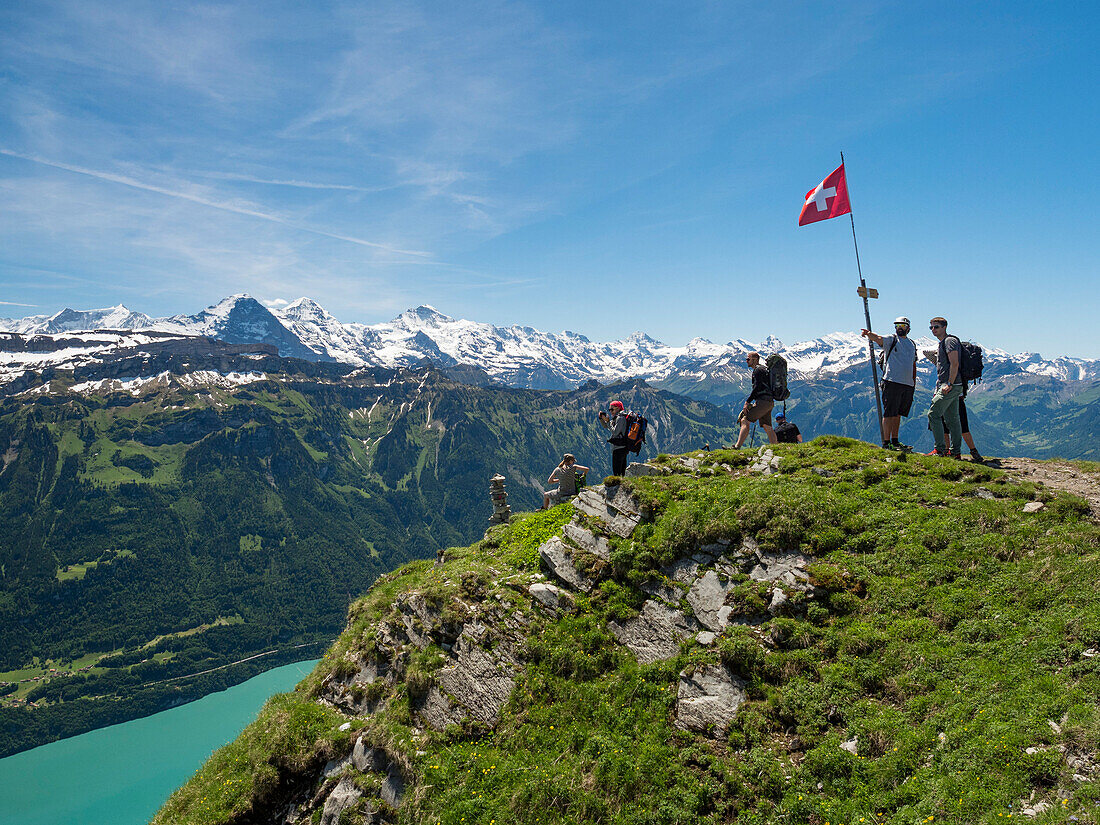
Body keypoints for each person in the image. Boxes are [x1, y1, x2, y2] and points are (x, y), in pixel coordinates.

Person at [861, 316, 918, 450]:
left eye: (902, 326)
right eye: (897, 325)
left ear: (908, 328)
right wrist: (869, 334)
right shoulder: (891, 339)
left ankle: (895, 441)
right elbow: (879, 339)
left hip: (907, 384)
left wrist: (913, 382)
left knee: (898, 413)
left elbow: (913, 364)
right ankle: (886, 443)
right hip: (892, 381)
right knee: (889, 413)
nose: (899, 328)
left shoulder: (912, 344)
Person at [926, 316, 964, 457]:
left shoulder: (949, 341)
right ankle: (955, 452)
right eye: (931, 327)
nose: (933, 330)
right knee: (952, 419)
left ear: (944, 327)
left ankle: (940, 450)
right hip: (953, 385)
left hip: (950, 385)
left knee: (933, 414)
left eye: (936, 327)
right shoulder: (944, 343)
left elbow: (955, 363)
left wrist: (949, 383)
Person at [733, 352, 777, 448]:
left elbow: (757, 388)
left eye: (748, 359)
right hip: (769, 402)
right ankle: (776, 448)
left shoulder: (758, 370)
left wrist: (747, 402)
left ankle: (737, 447)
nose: (746, 361)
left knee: (745, 420)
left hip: (763, 402)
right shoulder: (764, 369)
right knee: (767, 426)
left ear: (755, 359)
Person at [943, 398, 983, 462]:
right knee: (944, 429)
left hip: (954, 400)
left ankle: (973, 451)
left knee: (963, 428)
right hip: (947, 400)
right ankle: (946, 451)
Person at [598, 400, 631, 476]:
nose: (610, 411)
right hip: (620, 447)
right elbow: (606, 426)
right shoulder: (617, 417)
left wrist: (608, 421)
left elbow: (615, 432)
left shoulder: (620, 418)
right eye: (610, 410)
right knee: (621, 471)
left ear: (618, 408)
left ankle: (617, 486)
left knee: (617, 471)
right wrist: (602, 419)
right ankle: (620, 484)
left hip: (619, 448)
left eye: (612, 409)